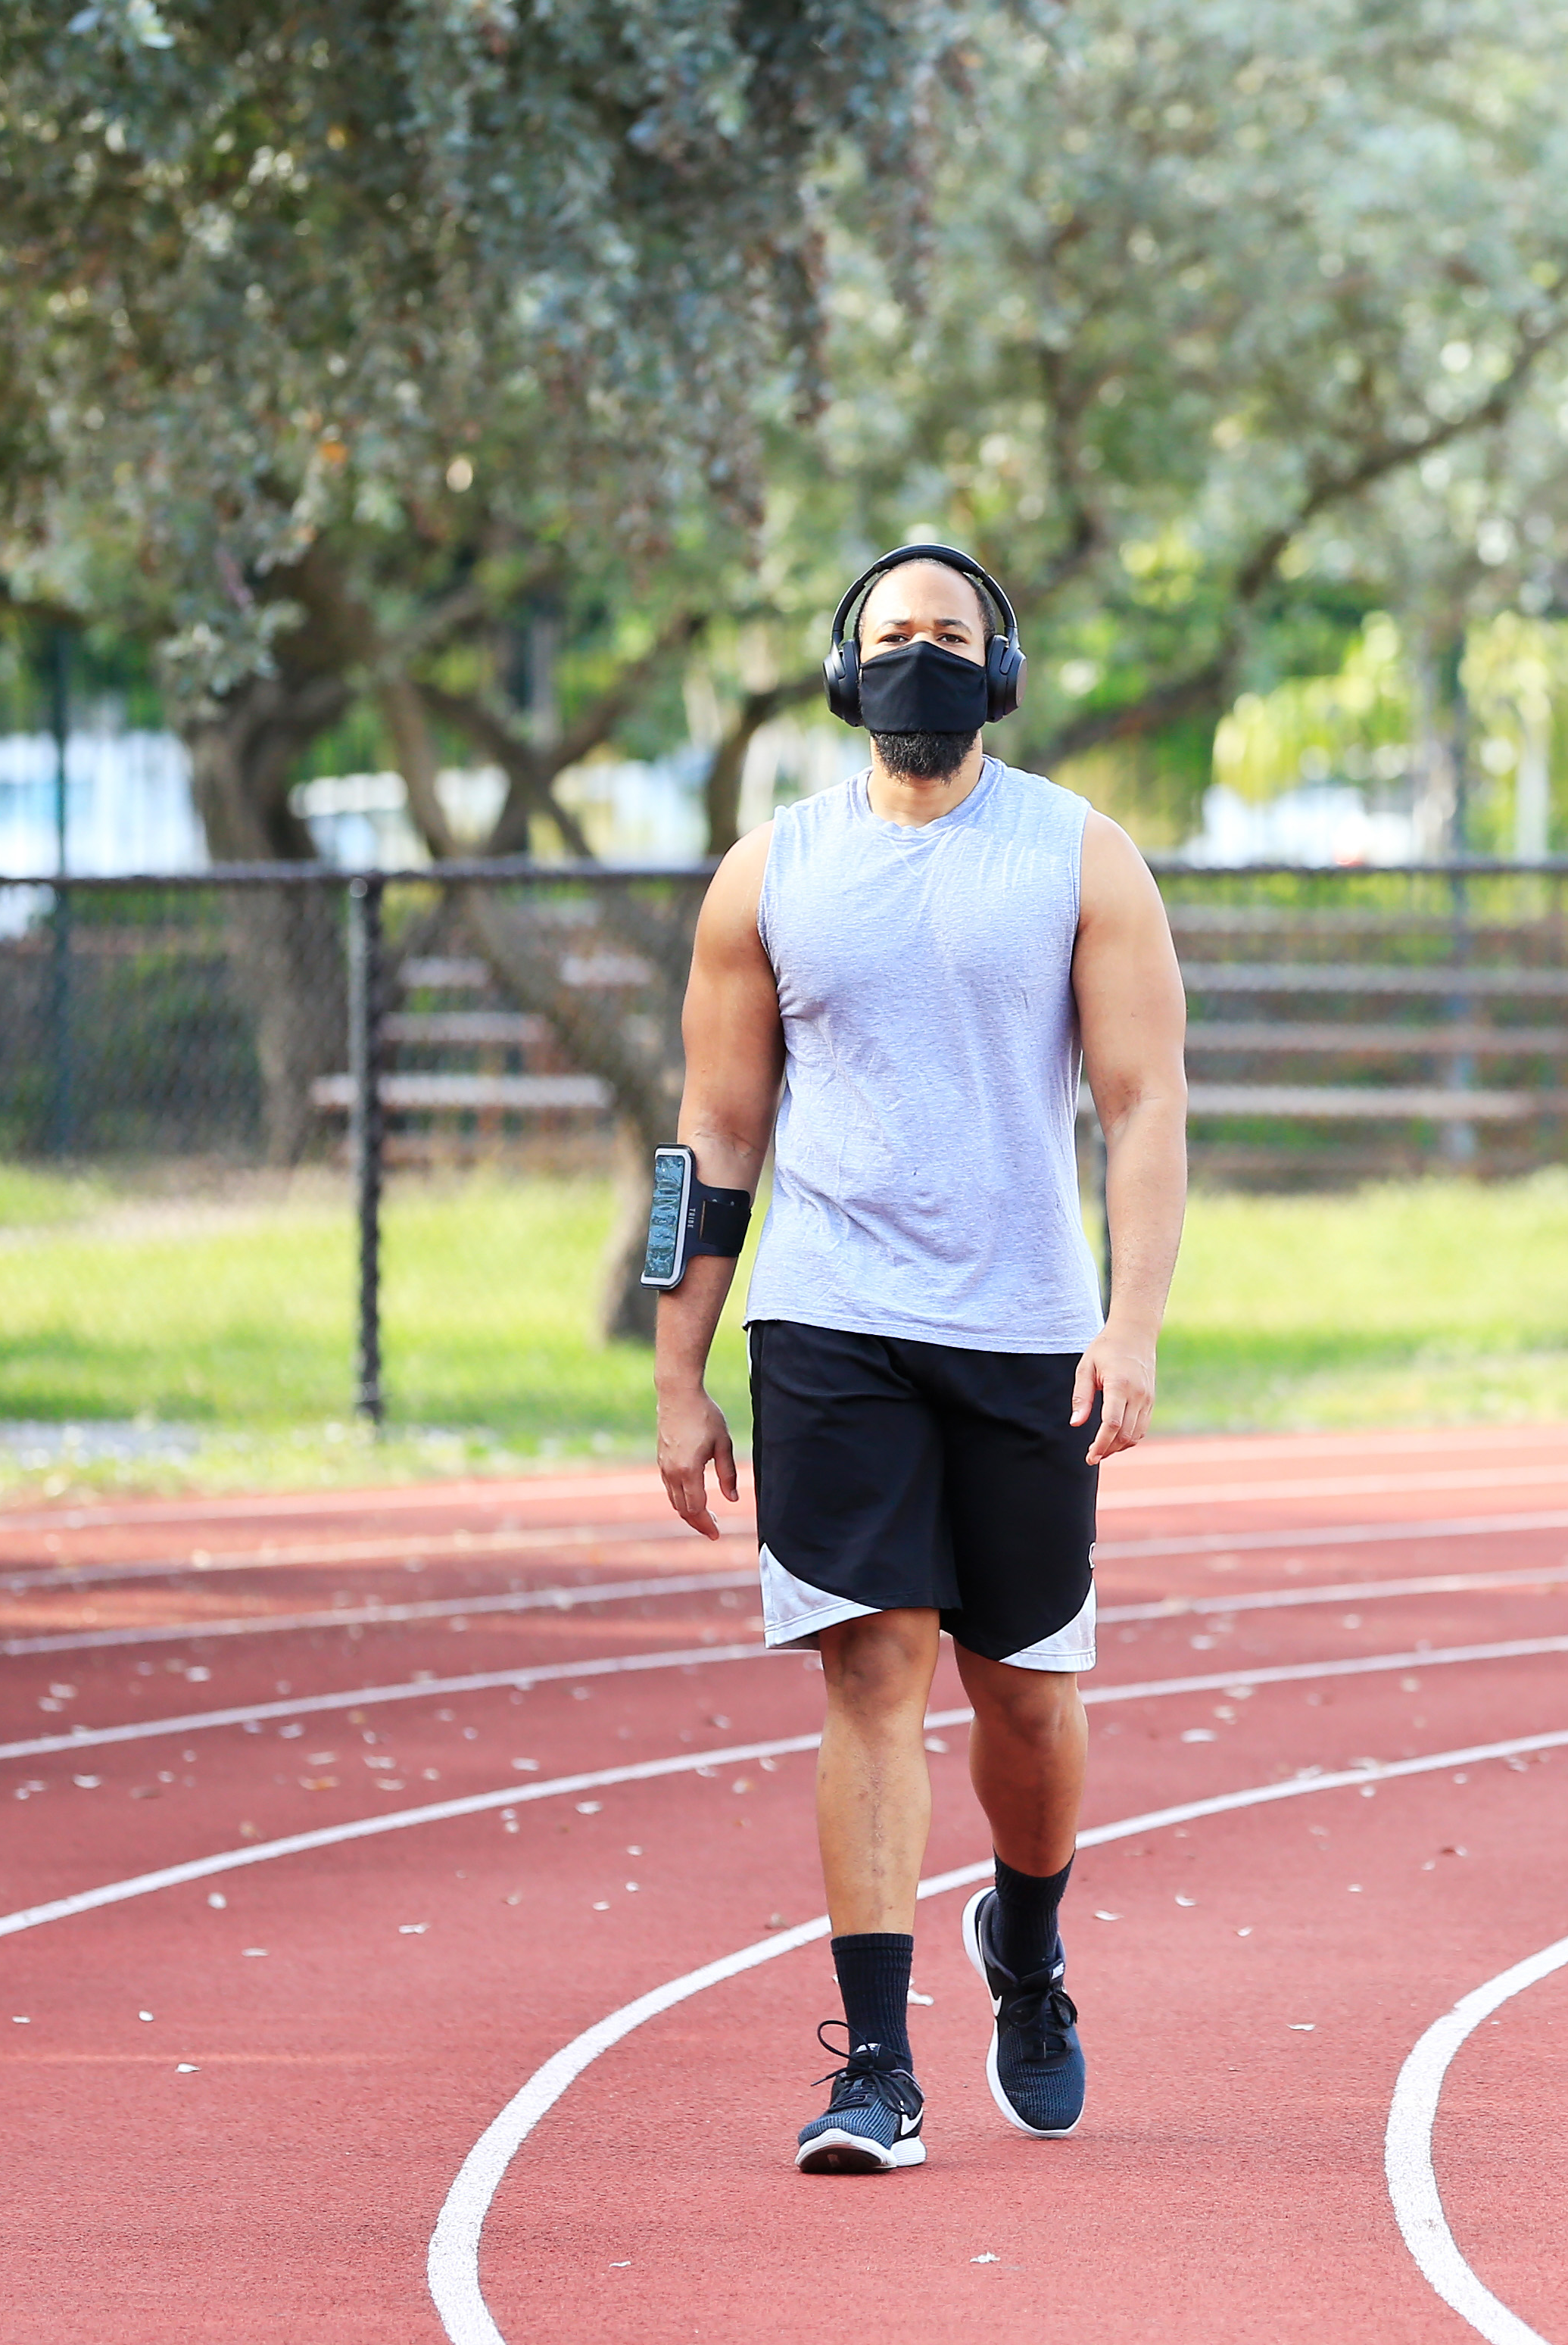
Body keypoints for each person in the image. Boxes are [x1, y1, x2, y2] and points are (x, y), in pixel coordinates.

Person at [650, 543, 1187, 2172]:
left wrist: (1136, 1320)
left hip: (1024, 1330)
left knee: (1024, 1696)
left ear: (1000, 670)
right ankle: (873, 2064)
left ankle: (1025, 1947)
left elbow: (1145, 1102)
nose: (920, 662)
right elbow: (712, 1134)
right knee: (871, 1664)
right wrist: (681, 1369)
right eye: (892, 639)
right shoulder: (771, 872)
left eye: (950, 637)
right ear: (844, 672)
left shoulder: (1079, 856)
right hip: (826, 1319)